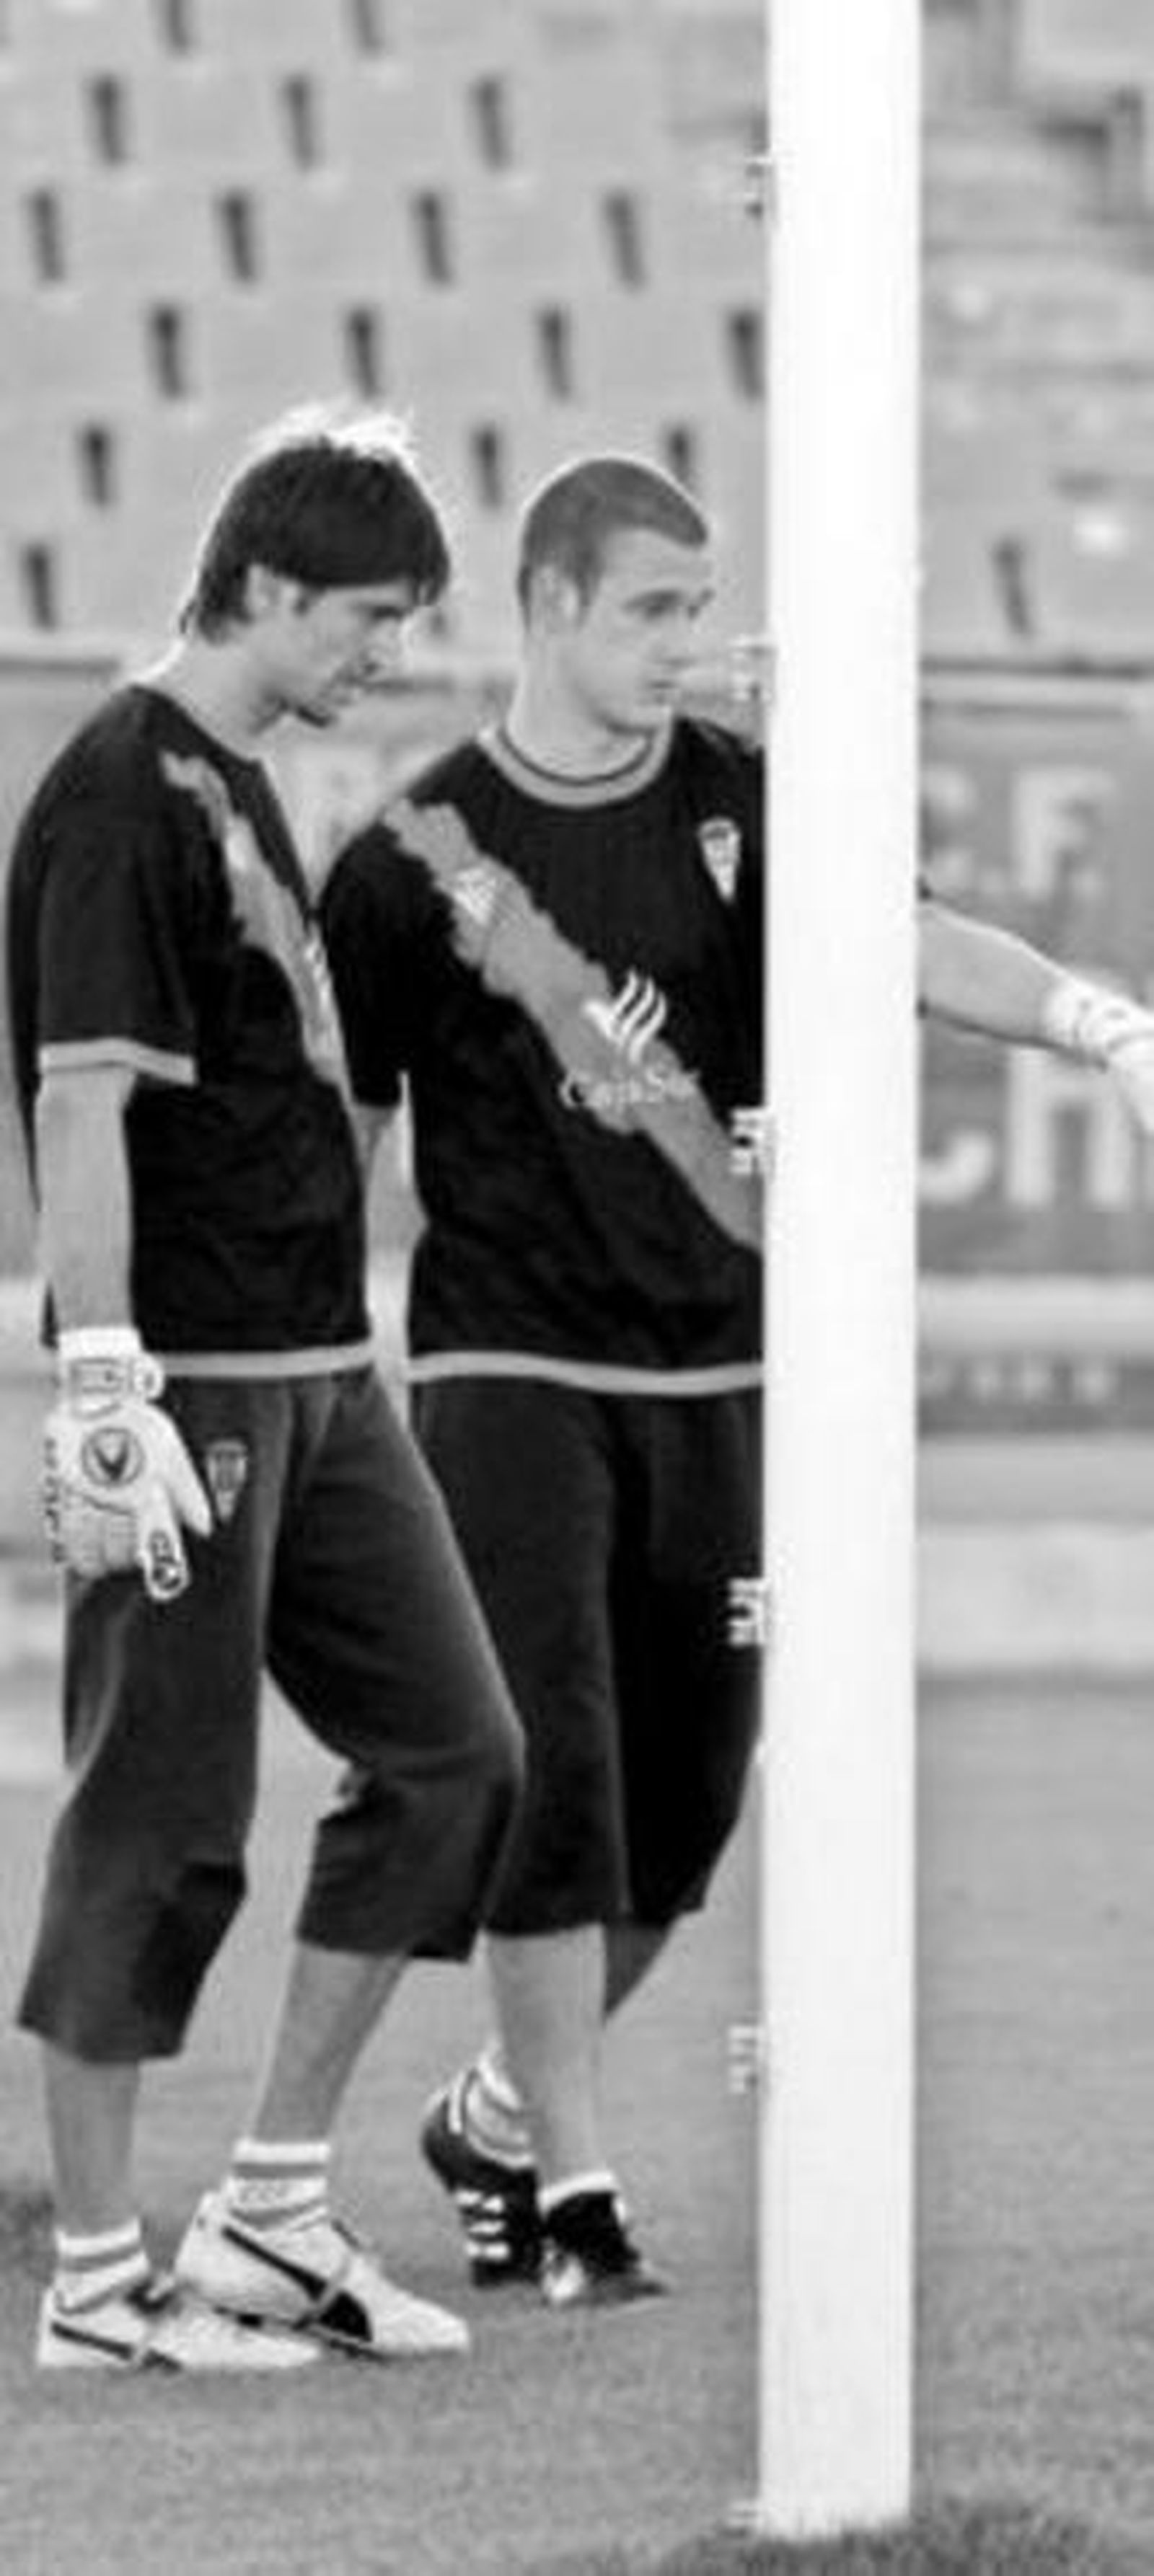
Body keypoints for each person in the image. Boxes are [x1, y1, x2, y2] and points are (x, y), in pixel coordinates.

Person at [320, 451, 1154, 2311]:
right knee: (564, 1774)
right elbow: (343, 1125)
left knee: (689, 1812)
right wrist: (309, 1356)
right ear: (548, 604)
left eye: (700, 610)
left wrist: (1106, 1025)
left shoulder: (743, 802)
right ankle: (584, 2195)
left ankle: (494, 2118)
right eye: (651, 611)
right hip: (506, 1361)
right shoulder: (417, 853)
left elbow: (906, 938)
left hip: (722, 1363)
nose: (687, 646)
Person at [4, 407, 524, 2373]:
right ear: (271, 587)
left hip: (328, 1377)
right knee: (163, 1813)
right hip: (199, 1380)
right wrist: (107, 1384)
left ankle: (271, 2215)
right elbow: (81, 1099)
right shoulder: (122, 794)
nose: (394, 656)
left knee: (460, 1756)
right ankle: (97, 2291)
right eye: (375, 619)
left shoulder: (232, 778)